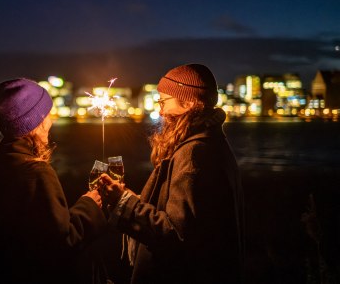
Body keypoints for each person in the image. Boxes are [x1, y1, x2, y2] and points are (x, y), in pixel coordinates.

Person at [100, 63, 245, 283]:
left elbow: (175, 232)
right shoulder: (208, 142)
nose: (160, 111)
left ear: (187, 102)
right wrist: (130, 198)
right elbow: (187, 218)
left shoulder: (195, 153)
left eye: (163, 102)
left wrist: (124, 203)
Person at [0, 78, 108, 284]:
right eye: (47, 115)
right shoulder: (35, 172)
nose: (51, 122)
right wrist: (90, 205)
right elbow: (61, 243)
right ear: (35, 122)